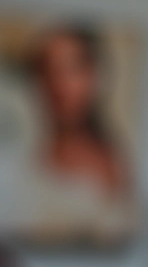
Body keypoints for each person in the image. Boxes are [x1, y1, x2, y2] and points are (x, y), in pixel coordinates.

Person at [32, 26, 127, 198]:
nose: (59, 83)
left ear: (94, 76)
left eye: (72, 68)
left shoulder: (111, 163)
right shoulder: (26, 148)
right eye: (48, 68)